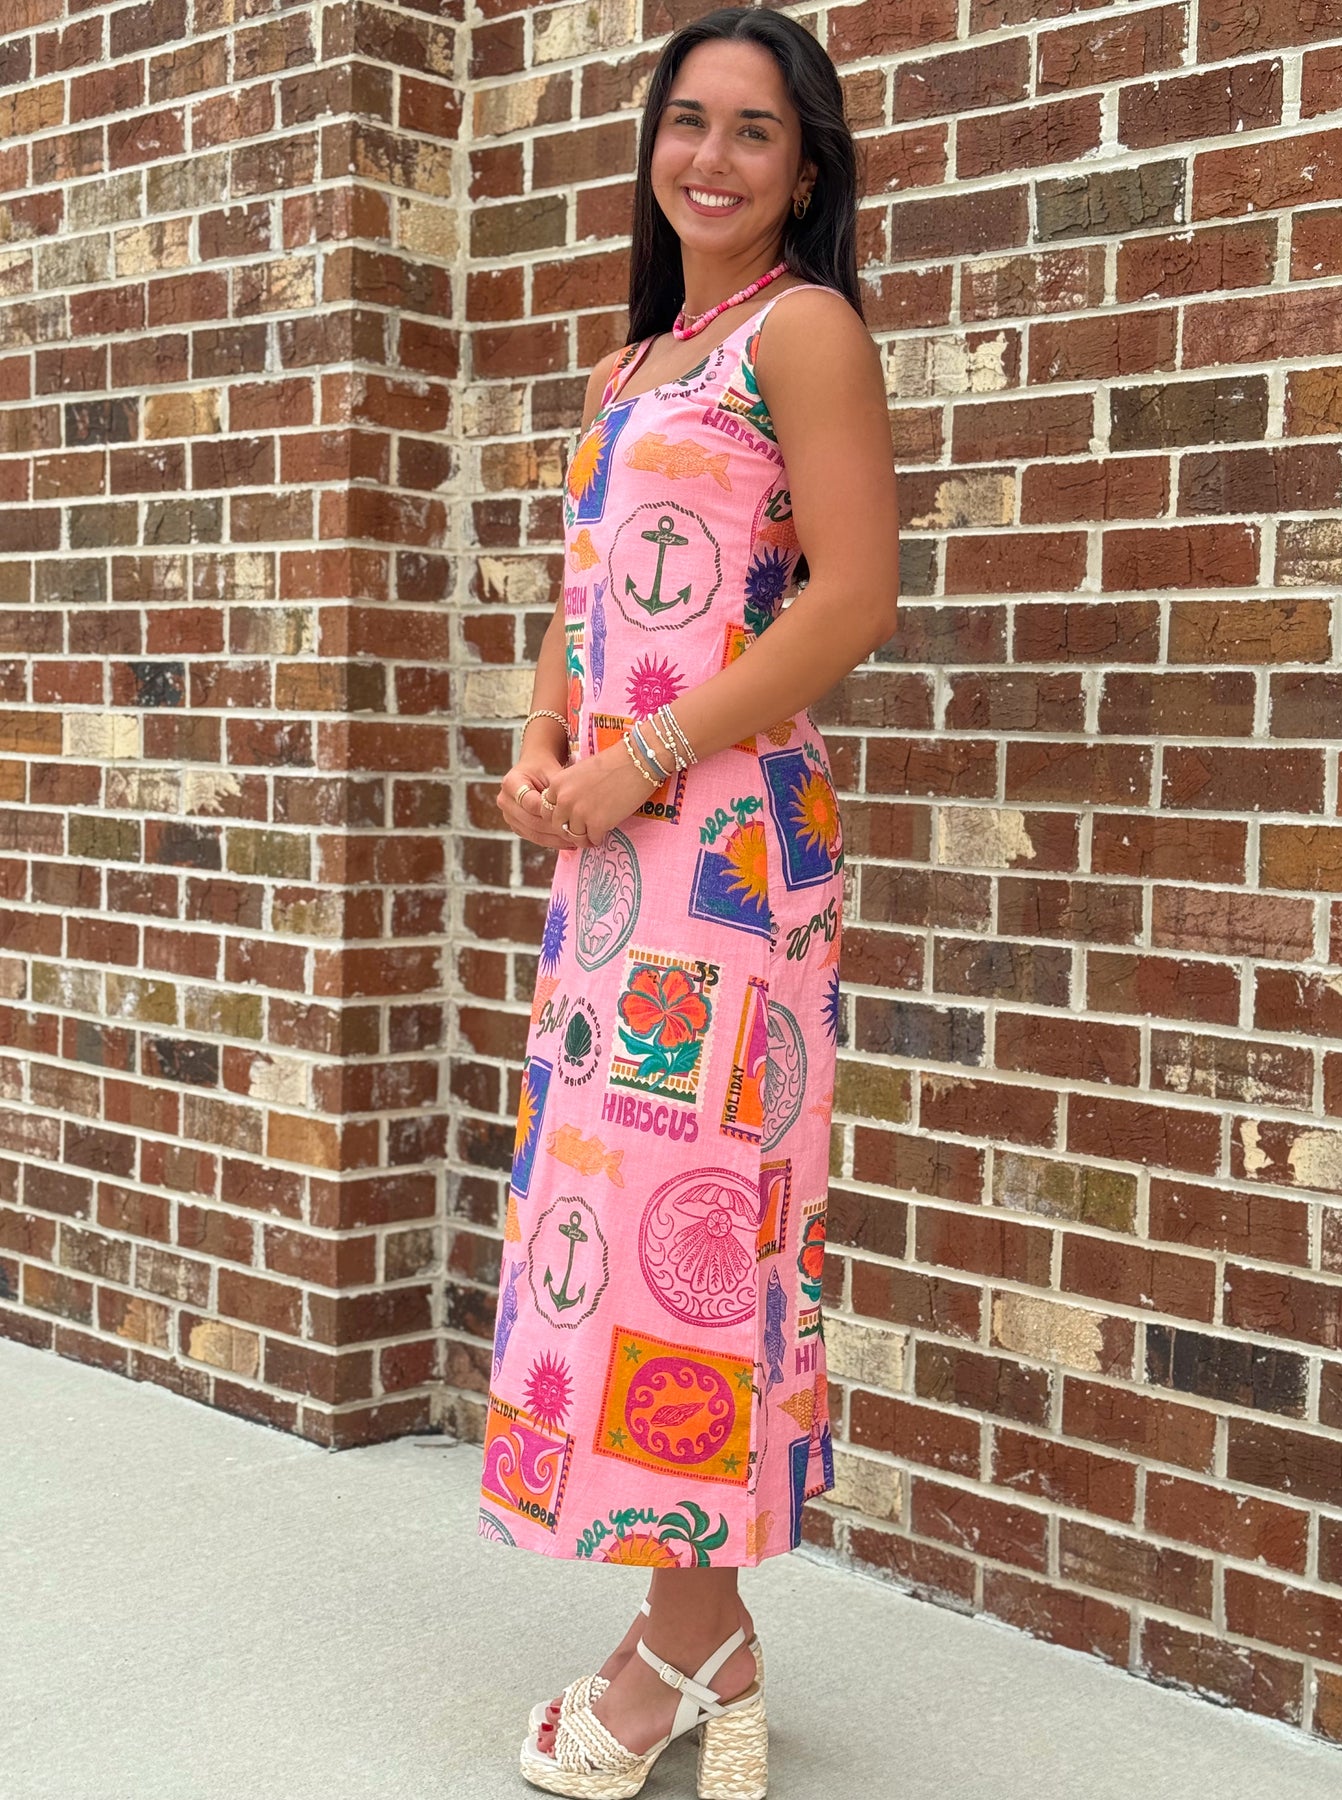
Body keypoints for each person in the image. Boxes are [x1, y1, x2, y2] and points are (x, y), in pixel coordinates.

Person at [483, 7, 898, 1794]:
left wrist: (641, 759)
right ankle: (706, 1631)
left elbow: (852, 597)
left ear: (803, 173)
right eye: (686, 120)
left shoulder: (804, 331)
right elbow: (587, 599)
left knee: (701, 1229)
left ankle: (673, 1652)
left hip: (723, 860)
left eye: (753, 131)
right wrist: (541, 739)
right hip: (609, 859)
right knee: (614, 1218)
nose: (709, 158)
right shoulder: (635, 361)